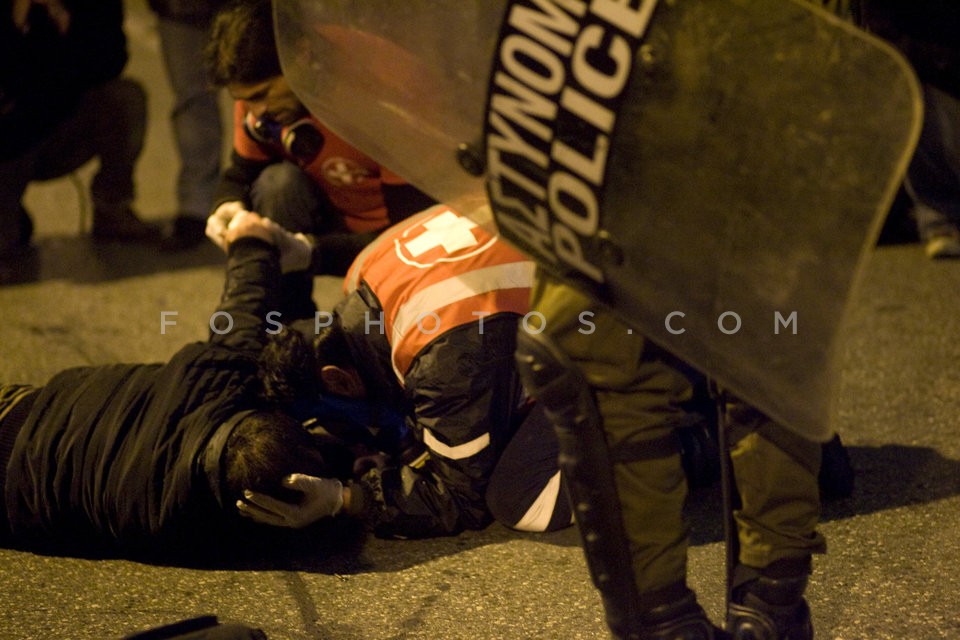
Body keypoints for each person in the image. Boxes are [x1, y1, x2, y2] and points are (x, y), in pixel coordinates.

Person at [0, 211, 348, 561]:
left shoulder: (217, 379)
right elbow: (319, 526)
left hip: (26, 409)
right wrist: (345, 499)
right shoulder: (190, 529)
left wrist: (251, 238)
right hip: (13, 490)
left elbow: (245, 308)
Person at [238, 205, 574, 539]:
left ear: (337, 379)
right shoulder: (364, 272)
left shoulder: (441, 366)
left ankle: (624, 440)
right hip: (583, 241)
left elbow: (461, 496)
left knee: (521, 498)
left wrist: (347, 499)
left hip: (609, 321)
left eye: (332, 420)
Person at [202, 0, 436, 318]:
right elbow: (241, 174)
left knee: (371, 337)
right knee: (277, 184)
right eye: (245, 101)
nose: (257, 113)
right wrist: (226, 205)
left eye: (261, 95)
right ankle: (286, 328)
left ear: (301, 56)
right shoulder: (262, 80)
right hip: (330, 216)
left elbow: (411, 234)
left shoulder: (384, 90)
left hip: (404, 229)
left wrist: (310, 252)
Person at [0, 0, 155, 264]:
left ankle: (111, 207)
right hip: (8, 141)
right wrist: (18, 20)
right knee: (9, 243)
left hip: (59, 123)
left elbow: (111, 61)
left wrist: (64, 24)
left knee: (125, 97)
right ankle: (13, 214)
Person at [148, 0, 229, 251]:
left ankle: (279, 198)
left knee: (266, 93)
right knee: (193, 99)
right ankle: (197, 206)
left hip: (251, 6)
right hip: (181, 8)